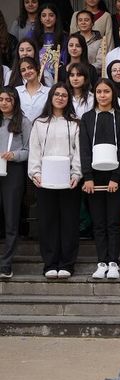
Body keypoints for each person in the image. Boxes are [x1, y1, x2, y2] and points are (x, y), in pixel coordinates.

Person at [79, 78, 120, 280]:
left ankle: (113, 262)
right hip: (94, 178)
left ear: (113, 94)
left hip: (115, 178)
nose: (102, 95)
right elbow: (84, 148)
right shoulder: (87, 118)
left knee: (113, 221)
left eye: (106, 91)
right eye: (99, 91)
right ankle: (101, 262)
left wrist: (117, 177)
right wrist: (88, 177)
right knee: (98, 222)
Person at [28, 83, 81, 279]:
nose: (60, 98)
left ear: (69, 100)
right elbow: (34, 150)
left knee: (69, 221)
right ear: (51, 97)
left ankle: (67, 263)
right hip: (45, 180)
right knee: (48, 221)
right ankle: (50, 263)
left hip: (69, 180)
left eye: (64, 95)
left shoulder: (75, 123)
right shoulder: (40, 123)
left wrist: (77, 174)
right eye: (57, 94)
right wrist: (35, 173)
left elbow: (79, 151)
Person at [0, 87, 32, 279]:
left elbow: (29, 150)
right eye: (1, 99)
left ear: (15, 102)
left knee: (11, 219)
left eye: (8, 100)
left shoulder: (24, 122)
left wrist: (14, 155)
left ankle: (6, 263)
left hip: (13, 171)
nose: (4, 103)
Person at [72, 8, 112, 75]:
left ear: (92, 23)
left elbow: (100, 63)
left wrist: (83, 70)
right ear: (77, 23)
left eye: (86, 20)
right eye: (80, 20)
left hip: (92, 76)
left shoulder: (100, 41)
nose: (83, 22)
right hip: (73, 75)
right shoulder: (72, 40)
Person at [15, 57, 50, 122]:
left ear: (37, 68)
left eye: (30, 68)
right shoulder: (16, 91)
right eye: (23, 70)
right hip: (20, 130)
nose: (27, 71)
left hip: (41, 130)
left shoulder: (49, 92)